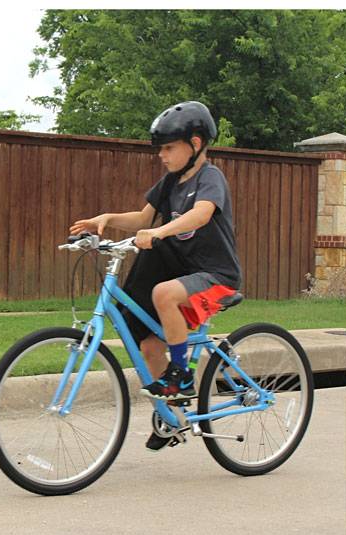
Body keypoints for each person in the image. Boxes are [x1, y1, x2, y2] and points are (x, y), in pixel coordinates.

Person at [69, 100, 242, 451]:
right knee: (148, 345)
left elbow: (201, 215)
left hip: (216, 276)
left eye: (168, 148)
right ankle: (174, 419)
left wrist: (161, 234)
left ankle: (181, 378)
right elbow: (143, 218)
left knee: (163, 293)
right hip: (185, 275)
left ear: (195, 145)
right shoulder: (169, 183)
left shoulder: (211, 178)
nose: (161, 155)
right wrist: (105, 218)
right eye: (160, 149)